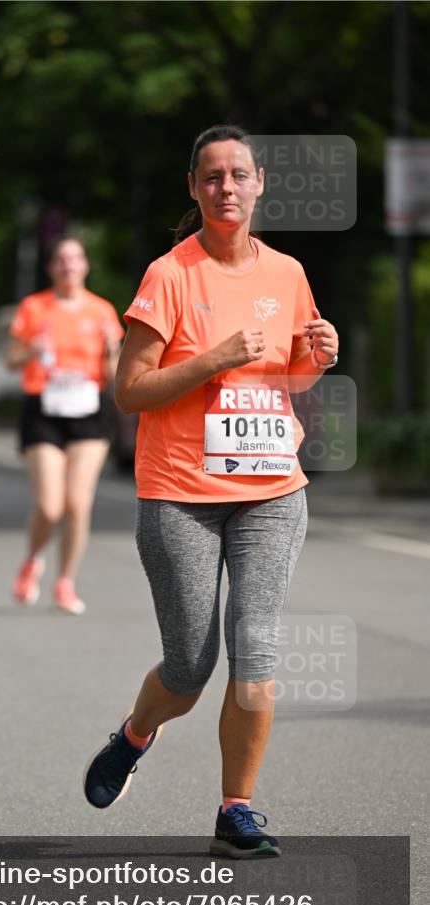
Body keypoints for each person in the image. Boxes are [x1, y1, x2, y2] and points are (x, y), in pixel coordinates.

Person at [83, 125, 339, 858]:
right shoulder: (170, 275)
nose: (226, 188)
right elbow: (129, 392)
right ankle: (134, 735)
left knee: (255, 648)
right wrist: (213, 358)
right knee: (190, 668)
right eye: (211, 178)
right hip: (180, 494)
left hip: (270, 490)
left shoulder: (286, 273)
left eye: (238, 175)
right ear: (194, 190)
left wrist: (318, 358)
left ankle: (236, 810)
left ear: (259, 182)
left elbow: (288, 377)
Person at [6, 237, 124, 615]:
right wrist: (30, 348)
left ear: (85, 265)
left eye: (74, 259)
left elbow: (114, 375)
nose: (68, 265)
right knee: (49, 505)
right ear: (51, 268)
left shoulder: (102, 311)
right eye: (60, 259)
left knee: (77, 503)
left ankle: (65, 581)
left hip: (88, 409)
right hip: (44, 408)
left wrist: (110, 350)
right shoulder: (33, 307)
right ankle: (32, 560)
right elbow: (11, 360)